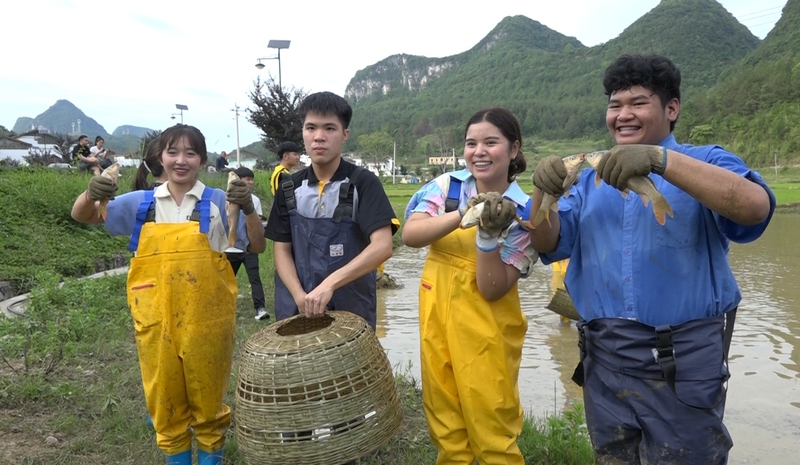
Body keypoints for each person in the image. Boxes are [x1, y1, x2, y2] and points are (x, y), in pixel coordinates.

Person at [530, 54, 775, 464]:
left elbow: (755, 207)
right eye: (615, 104)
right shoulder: (589, 178)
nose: (623, 114)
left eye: (638, 103)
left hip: (684, 363)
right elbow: (547, 241)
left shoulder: (708, 161)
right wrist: (543, 192)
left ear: (671, 108)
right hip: (604, 361)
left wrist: (661, 161)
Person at [70, 124, 266, 465]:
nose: (181, 160)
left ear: (202, 160)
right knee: (165, 402)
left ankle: (210, 458)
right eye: (173, 152)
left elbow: (258, 245)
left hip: (208, 322)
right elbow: (82, 216)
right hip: (155, 321)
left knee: (208, 401)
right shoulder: (139, 203)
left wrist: (248, 208)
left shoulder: (220, 201)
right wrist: (91, 193)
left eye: (190, 153)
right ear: (160, 158)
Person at [402, 107, 536, 465]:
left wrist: (489, 237)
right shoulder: (448, 187)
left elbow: (493, 288)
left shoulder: (526, 211)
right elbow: (410, 234)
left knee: (492, 425)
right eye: (471, 143)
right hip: (436, 318)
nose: (479, 151)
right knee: (445, 420)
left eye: (491, 142)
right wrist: (464, 215)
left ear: (514, 149)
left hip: (488, 328)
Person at [264, 91, 398, 330]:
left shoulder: (364, 183)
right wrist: (299, 295)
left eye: (329, 128)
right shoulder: (288, 188)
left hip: (351, 308)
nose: (319, 137)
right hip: (296, 309)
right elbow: (281, 249)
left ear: (344, 134)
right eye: (311, 128)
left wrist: (330, 285)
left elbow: (382, 246)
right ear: (303, 132)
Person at [226, 166, 269, 321]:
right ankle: (224, 309)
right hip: (229, 249)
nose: (250, 182)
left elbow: (257, 223)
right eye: (247, 179)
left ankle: (260, 308)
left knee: (254, 278)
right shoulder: (225, 197)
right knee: (226, 282)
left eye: (251, 179)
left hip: (249, 248)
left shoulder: (255, 200)